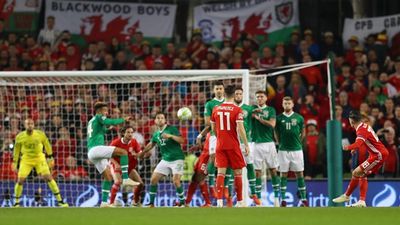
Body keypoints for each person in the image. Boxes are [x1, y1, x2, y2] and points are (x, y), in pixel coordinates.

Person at [333, 110, 389, 207]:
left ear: (351, 121)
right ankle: (361, 201)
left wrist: (346, 147)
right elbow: (364, 140)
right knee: (361, 173)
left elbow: (359, 143)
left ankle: (348, 196)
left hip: (378, 155)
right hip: (376, 154)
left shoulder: (361, 129)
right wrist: (354, 148)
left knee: (356, 172)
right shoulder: (363, 126)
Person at [86, 102, 136, 207]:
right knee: (123, 152)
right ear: (99, 111)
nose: (107, 112)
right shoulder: (99, 117)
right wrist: (123, 119)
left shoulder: (91, 121)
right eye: (105, 110)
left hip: (92, 153)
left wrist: (109, 128)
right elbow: (109, 120)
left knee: (108, 177)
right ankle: (126, 178)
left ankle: (104, 203)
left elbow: (102, 129)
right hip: (96, 149)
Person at [12, 119, 68, 207]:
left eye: (31, 123)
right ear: (24, 125)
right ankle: (16, 202)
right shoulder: (20, 137)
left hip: (39, 158)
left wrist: (50, 157)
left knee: (48, 177)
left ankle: (60, 201)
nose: (30, 125)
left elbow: (47, 145)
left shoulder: (40, 134)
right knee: (20, 180)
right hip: (26, 160)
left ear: (34, 125)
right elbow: (16, 150)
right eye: (28, 124)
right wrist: (15, 162)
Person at [210, 85, 250, 207]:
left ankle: (219, 202)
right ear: (233, 95)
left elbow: (213, 129)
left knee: (220, 173)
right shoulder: (237, 110)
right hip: (233, 145)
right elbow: (241, 129)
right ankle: (240, 201)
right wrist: (246, 145)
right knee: (238, 172)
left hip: (220, 145)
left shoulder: (216, 109)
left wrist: (221, 138)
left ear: (224, 94)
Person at [139, 112, 186, 207]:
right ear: (155, 120)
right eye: (158, 118)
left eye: (162, 118)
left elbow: (182, 140)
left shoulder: (171, 129)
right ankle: (151, 204)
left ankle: (182, 202)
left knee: (176, 181)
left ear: (165, 120)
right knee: (153, 179)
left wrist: (171, 136)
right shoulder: (156, 134)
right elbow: (151, 144)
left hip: (177, 158)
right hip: (165, 160)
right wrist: (143, 152)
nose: (160, 119)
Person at [275, 97, 308, 207]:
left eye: (289, 103)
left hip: (297, 150)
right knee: (283, 174)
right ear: (282, 104)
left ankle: (304, 199)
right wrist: (279, 143)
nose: (287, 105)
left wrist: (299, 141)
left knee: (299, 173)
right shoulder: (279, 118)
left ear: (293, 104)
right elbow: (276, 133)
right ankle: (283, 200)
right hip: (283, 150)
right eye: (285, 103)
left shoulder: (299, 118)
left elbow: (303, 131)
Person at [196, 81, 225, 198]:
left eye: (220, 88)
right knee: (213, 156)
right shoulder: (210, 104)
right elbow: (208, 123)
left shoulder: (228, 102)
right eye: (216, 88)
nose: (218, 90)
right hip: (214, 134)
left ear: (223, 90)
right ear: (214, 90)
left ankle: (227, 187)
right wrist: (200, 135)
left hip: (228, 135)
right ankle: (212, 184)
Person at [251, 90, 280, 207]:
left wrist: (259, 119)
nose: (259, 98)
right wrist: (252, 113)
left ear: (266, 98)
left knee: (273, 170)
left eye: (261, 97)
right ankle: (258, 200)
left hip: (269, 144)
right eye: (257, 97)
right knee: (257, 172)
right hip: (256, 144)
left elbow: (272, 124)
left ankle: (277, 198)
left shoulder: (271, 110)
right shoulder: (252, 109)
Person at [234, 87, 261, 206]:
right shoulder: (230, 108)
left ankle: (254, 193)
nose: (238, 95)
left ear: (243, 95)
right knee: (232, 168)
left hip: (247, 142)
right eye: (236, 94)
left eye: (240, 93)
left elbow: (257, 111)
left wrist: (257, 111)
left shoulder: (249, 108)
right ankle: (231, 197)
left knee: (250, 166)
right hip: (233, 142)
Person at [109, 126, 145, 207]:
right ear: (123, 133)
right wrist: (116, 164)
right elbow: (108, 156)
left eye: (132, 132)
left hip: (129, 167)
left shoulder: (134, 142)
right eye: (128, 132)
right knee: (118, 182)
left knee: (140, 184)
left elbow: (140, 154)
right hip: (117, 166)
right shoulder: (116, 142)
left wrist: (137, 154)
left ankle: (135, 202)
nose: (130, 134)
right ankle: (111, 203)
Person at [185, 133, 212, 207]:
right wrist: (198, 145)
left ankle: (208, 203)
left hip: (208, 157)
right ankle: (187, 202)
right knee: (194, 179)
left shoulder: (215, 131)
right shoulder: (208, 132)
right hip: (203, 156)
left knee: (200, 178)